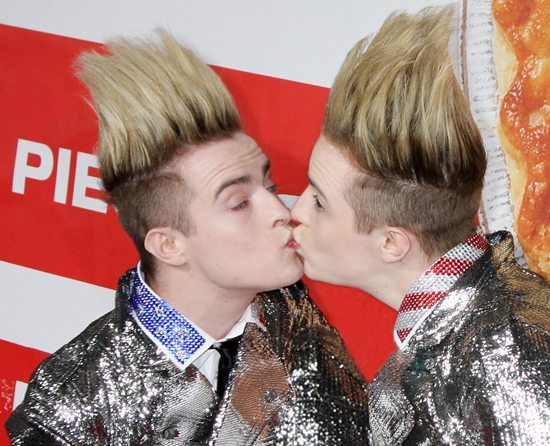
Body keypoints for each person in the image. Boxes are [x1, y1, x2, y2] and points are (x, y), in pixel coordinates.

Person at [6, 30, 369, 445]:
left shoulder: (290, 312)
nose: (281, 213)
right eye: (239, 203)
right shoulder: (73, 404)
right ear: (169, 245)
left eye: (269, 187)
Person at [292, 5, 550, 445]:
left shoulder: (502, 365)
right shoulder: (474, 327)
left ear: (391, 243)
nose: (295, 211)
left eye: (319, 201)